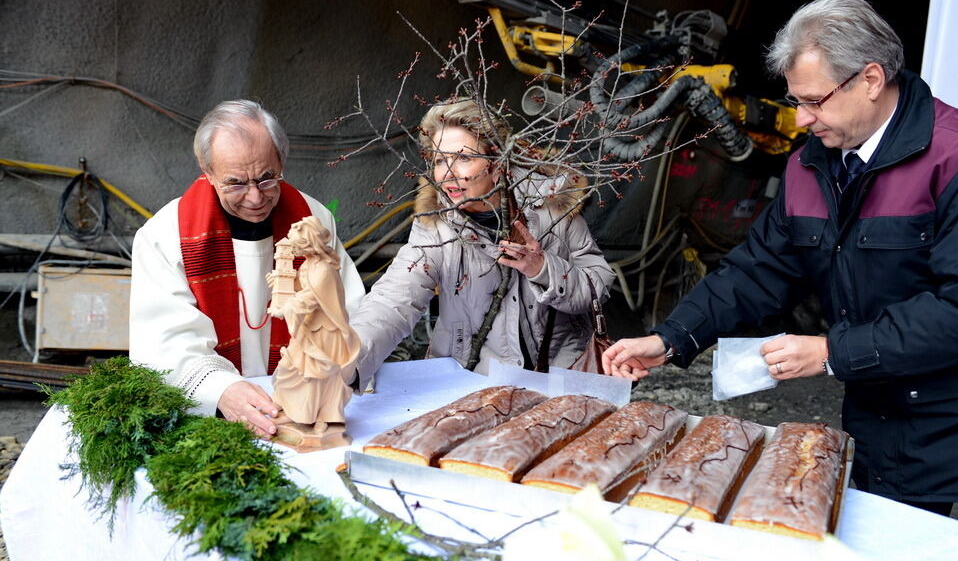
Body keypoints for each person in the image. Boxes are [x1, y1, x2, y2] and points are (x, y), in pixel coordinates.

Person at [603, 0, 958, 530]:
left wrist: (833, 351)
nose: (801, 118)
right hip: (883, 429)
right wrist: (672, 336)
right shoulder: (809, 167)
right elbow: (756, 269)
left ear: (871, 79)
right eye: (795, 99)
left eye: (814, 100)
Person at [130, 100, 365, 438]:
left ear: (281, 161)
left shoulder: (312, 221)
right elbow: (164, 342)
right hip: (214, 418)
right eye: (236, 183)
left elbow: (345, 312)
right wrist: (220, 390)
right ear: (207, 170)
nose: (255, 197)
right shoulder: (165, 235)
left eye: (267, 178)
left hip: (304, 401)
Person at [349, 99, 613, 386]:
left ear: (496, 161)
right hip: (472, 382)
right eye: (439, 160)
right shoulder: (437, 225)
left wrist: (543, 268)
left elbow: (597, 288)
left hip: (559, 380)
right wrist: (348, 357)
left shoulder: (551, 206)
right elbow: (394, 299)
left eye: (463, 158)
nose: (447, 173)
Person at [268, 216, 360, 430]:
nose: (291, 250)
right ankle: (293, 410)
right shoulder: (310, 264)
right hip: (310, 328)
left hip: (325, 332)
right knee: (290, 368)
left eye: (295, 245)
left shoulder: (324, 269)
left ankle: (323, 416)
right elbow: (301, 288)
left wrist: (284, 309)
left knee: (318, 378)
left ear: (307, 245)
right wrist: (282, 281)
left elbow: (310, 299)